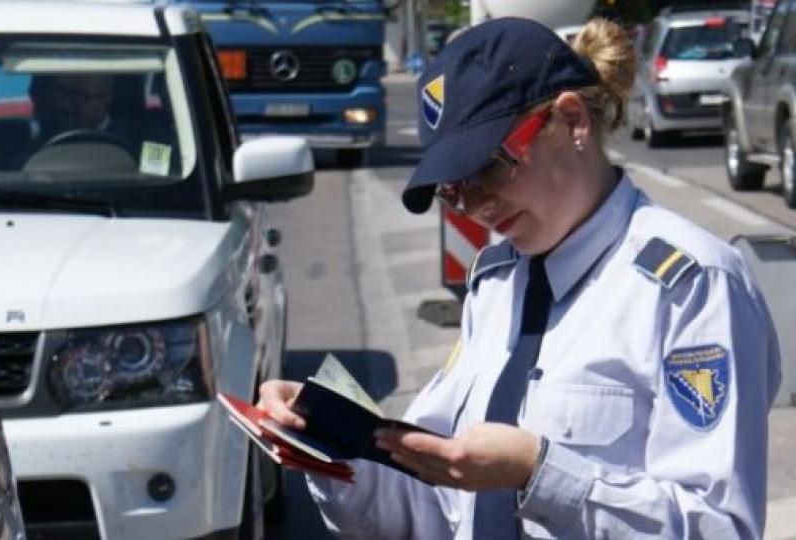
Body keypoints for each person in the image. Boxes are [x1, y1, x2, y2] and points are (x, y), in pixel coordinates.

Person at [258, 17, 782, 539]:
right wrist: (330, 442)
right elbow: (432, 509)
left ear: (572, 121)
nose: (477, 205)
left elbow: (720, 528)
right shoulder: (496, 285)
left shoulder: (691, 286)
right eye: (453, 190)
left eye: (489, 168)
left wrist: (540, 473)